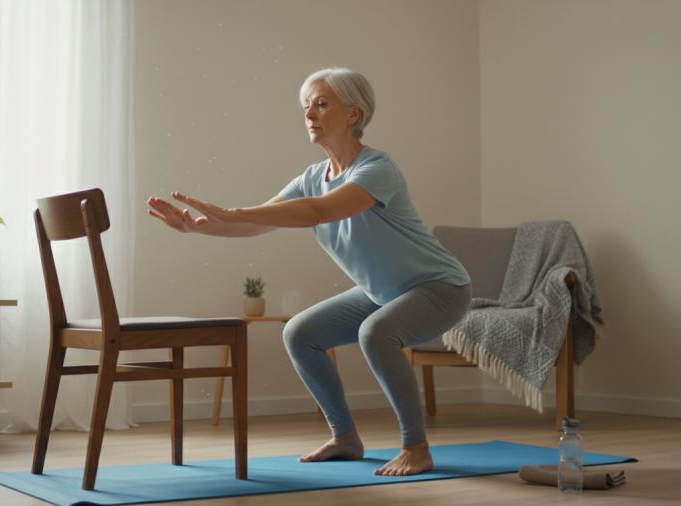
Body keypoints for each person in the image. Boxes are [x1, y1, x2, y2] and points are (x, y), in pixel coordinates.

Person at [147, 67, 471, 476]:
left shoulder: (377, 169)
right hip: (381, 291)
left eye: (321, 104)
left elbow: (320, 211)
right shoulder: (311, 179)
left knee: (376, 333)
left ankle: (416, 447)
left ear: (354, 114)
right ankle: (346, 438)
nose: (310, 114)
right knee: (300, 333)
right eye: (306, 107)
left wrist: (232, 213)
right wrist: (196, 227)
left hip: (439, 288)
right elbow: (256, 223)